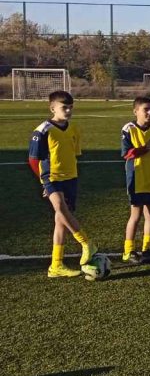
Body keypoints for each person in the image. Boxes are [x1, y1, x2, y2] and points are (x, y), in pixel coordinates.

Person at [27, 90, 96, 278]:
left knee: (61, 220)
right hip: (52, 177)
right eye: (64, 107)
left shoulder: (73, 129)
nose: (68, 111)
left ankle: (56, 265)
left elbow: (74, 154)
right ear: (52, 108)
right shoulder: (43, 131)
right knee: (60, 208)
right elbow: (33, 160)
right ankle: (86, 242)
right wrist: (44, 182)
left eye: (70, 107)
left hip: (70, 178)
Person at [121, 96, 150, 264]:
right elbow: (127, 154)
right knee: (136, 214)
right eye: (146, 109)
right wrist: (146, 147)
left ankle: (146, 248)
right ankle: (128, 251)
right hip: (137, 177)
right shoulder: (129, 129)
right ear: (136, 111)